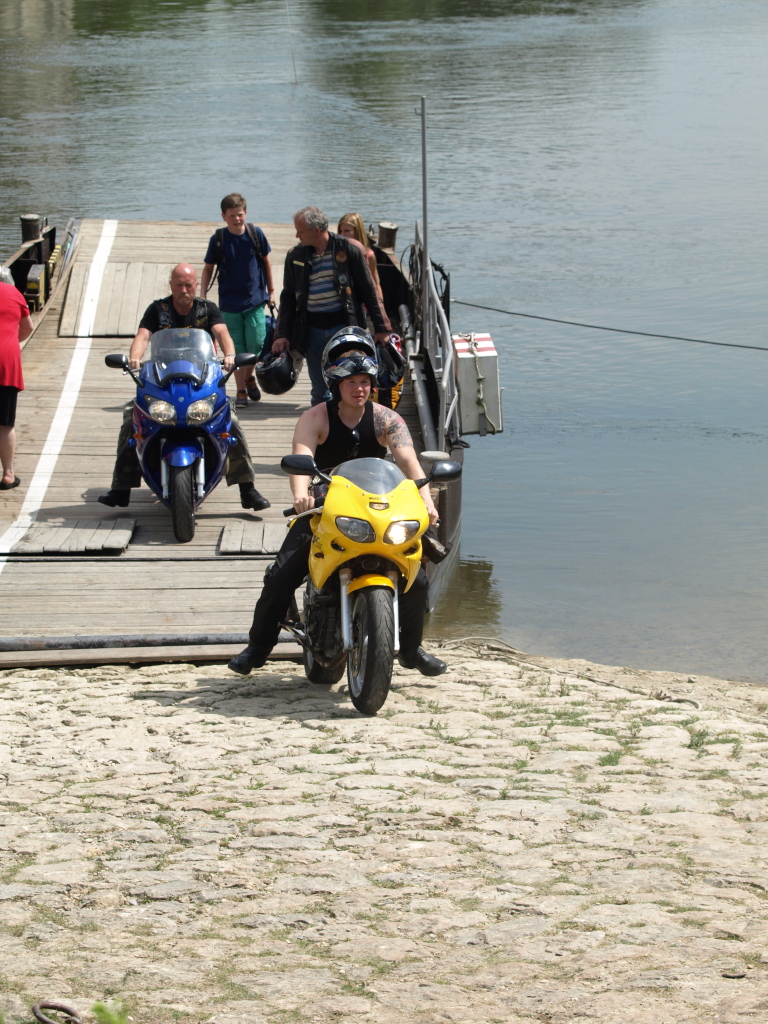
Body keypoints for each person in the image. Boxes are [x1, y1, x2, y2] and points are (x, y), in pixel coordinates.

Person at [228, 327, 447, 679]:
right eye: (351, 382)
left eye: (365, 382)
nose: (359, 389)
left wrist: (425, 499)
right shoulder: (315, 418)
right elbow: (301, 458)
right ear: (335, 384)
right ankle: (257, 647)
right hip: (325, 504)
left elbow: (409, 462)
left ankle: (412, 649)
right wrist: (300, 494)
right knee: (280, 576)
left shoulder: (386, 418)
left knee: (416, 577)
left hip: (378, 501)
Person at [98, 263, 270, 511]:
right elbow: (143, 336)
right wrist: (134, 358)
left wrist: (230, 355)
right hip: (162, 381)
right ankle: (121, 488)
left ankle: (247, 489)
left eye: (188, 285)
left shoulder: (207, 309)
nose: (184, 290)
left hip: (201, 381)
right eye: (179, 284)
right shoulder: (157, 309)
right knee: (131, 420)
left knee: (231, 422)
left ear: (196, 285)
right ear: (171, 285)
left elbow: (222, 333)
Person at [271, 206, 389, 406]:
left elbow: (369, 292)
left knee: (349, 382)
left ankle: (348, 423)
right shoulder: (296, 256)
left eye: (301, 231)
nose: (297, 235)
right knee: (320, 390)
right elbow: (288, 297)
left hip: (344, 328)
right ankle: (322, 424)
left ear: (317, 230)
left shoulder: (348, 250)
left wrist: (382, 328)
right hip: (312, 331)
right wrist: (282, 334)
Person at [200, 192, 276, 410]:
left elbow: (266, 262)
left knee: (256, 343)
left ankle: (249, 377)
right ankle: (241, 390)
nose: (237, 219)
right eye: (232, 215)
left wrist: (271, 291)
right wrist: (203, 294)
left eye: (240, 214)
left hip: (255, 300)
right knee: (235, 349)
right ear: (224, 216)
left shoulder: (255, 234)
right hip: (229, 304)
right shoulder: (218, 239)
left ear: (246, 213)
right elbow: (208, 268)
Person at [0, 280, 33, 490]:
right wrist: (12, 341)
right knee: (5, 422)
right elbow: (28, 327)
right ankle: (8, 474)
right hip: (5, 361)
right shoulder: (12, 292)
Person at [337, 212, 391, 332]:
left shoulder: (369, 255)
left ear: (357, 231)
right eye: (340, 231)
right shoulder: (338, 254)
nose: (342, 234)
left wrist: (380, 308)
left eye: (347, 231)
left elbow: (375, 282)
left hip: (360, 302)